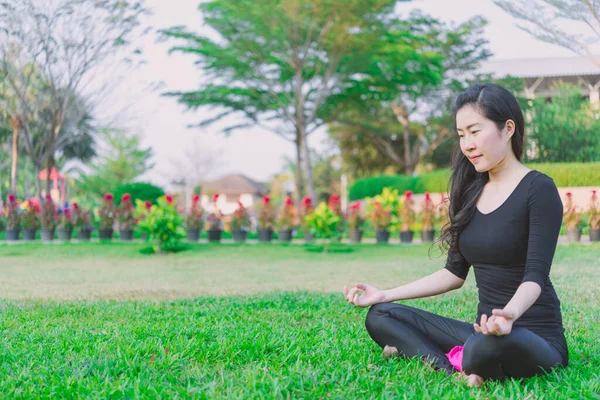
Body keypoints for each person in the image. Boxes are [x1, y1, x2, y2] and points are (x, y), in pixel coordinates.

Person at [343, 83, 568, 388]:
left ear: (508, 128)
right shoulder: (469, 191)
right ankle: (455, 372)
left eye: (475, 131)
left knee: (481, 347)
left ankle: (452, 359)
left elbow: (535, 276)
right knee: (381, 315)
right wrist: (385, 293)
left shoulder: (538, 189)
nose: (467, 144)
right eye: (462, 135)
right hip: (484, 331)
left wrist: (509, 315)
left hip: (534, 337)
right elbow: (454, 273)